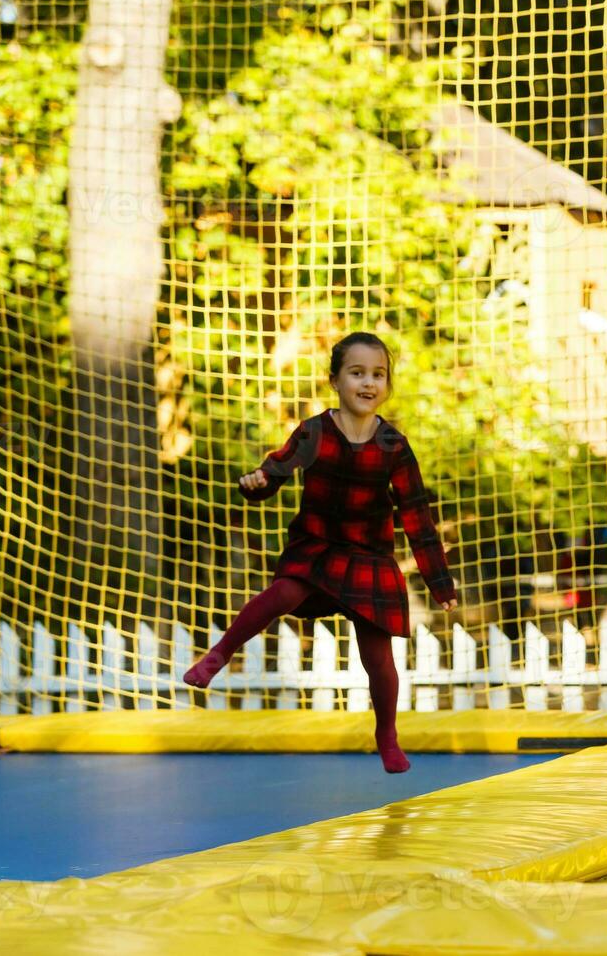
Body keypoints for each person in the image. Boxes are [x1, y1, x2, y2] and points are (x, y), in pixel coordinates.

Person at [184, 331, 458, 773]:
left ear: (387, 384)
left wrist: (438, 580)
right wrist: (256, 483)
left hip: (368, 555)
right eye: (357, 373)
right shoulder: (314, 432)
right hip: (318, 546)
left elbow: (417, 517)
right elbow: (275, 468)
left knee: (377, 654)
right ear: (334, 380)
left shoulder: (394, 446)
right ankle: (219, 654)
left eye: (378, 375)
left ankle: (386, 733)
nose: (368, 383)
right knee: (286, 592)